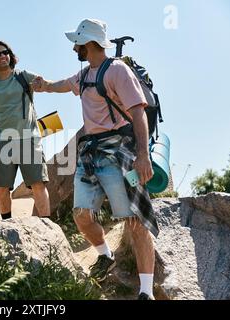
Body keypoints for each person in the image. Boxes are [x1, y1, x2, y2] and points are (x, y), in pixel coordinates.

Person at [32, 19, 159, 300]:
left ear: (88, 42)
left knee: (134, 221)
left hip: (121, 154)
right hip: (91, 154)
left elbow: (138, 112)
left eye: (76, 42)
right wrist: (42, 86)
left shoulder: (116, 70)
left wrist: (143, 155)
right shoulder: (84, 74)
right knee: (81, 216)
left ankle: (146, 291)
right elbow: (62, 85)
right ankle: (105, 254)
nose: (74, 47)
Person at [0, 40, 50, 220]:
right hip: (2, 141)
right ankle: (7, 226)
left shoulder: (23, 76)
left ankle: (48, 227)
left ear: (10, 55)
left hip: (29, 138)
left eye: (5, 52)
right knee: (1, 188)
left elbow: (45, 84)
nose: (2, 56)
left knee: (38, 185)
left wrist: (43, 83)